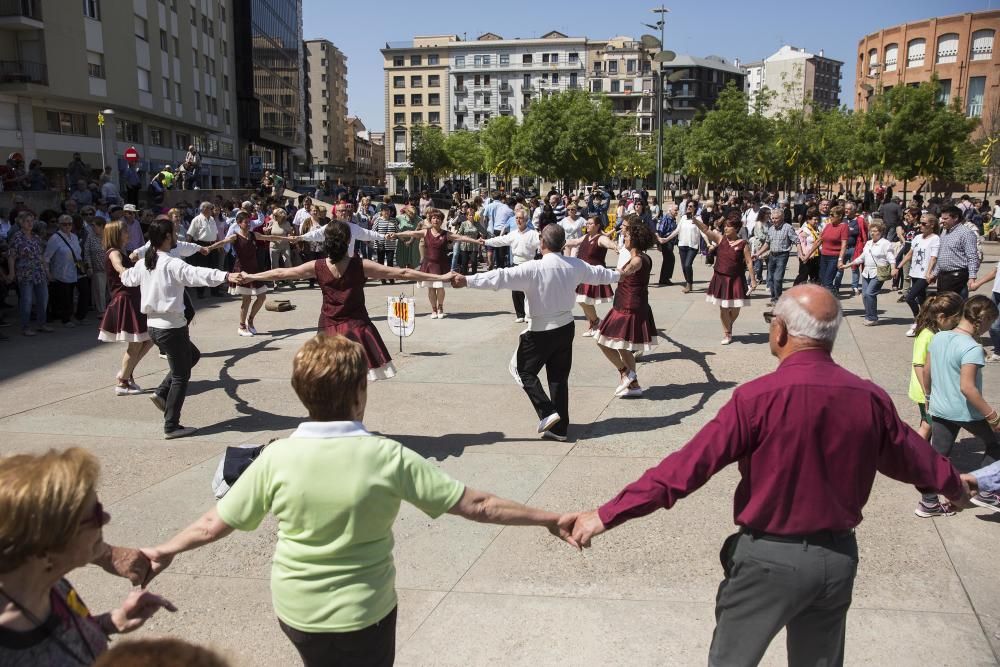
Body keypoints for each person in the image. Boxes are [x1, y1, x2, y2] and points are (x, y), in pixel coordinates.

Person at [562, 285, 973, 667]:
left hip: (767, 561)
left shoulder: (755, 399)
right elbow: (915, 457)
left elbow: (685, 469)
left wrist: (606, 514)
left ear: (781, 331)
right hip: (836, 560)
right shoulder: (869, 397)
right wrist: (955, 486)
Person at [139, 335, 575, 667]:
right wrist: (549, 518)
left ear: (301, 393)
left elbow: (212, 525)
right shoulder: (386, 456)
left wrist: (164, 549)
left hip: (298, 612)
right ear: (359, 393)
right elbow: (477, 505)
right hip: (365, 614)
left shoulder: (276, 457)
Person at [0, 448, 176, 665]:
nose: (106, 518)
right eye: (95, 514)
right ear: (47, 542)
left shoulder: (50, 583)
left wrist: (110, 622)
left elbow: (59, 638)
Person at [452, 225, 619, 441]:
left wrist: (467, 280)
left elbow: (500, 277)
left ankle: (548, 412)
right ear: (563, 244)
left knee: (521, 369)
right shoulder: (574, 265)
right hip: (565, 327)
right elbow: (600, 274)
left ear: (542, 243)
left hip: (541, 330)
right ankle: (559, 429)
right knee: (558, 378)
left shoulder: (534, 268)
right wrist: (621, 274)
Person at [242, 221, 452, 381]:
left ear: (326, 241)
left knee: (331, 380)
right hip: (358, 329)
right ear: (348, 241)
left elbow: (281, 273)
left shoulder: (317, 266)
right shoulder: (360, 265)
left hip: (328, 328)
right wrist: (442, 277)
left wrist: (250, 276)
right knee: (355, 383)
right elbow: (403, 272)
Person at [121, 218, 240, 439]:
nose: (177, 236)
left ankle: (161, 393)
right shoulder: (169, 263)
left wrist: (120, 268)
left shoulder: (146, 262)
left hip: (155, 328)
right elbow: (197, 274)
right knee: (180, 376)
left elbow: (128, 278)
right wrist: (226, 275)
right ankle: (171, 425)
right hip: (171, 329)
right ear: (167, 237)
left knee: (192, 355)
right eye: (174, 233)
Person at [917, 295, 1000, 517]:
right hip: (966, 412)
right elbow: (967, 388)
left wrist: (928, 397)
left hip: (940, 407)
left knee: (938, 456)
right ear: (983, 319)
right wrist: (993, 416)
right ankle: (986, 490)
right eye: (991, 323)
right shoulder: (971, 347)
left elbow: (926, 370)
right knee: (996, 444)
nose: (989, 328)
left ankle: (928, 503)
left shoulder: (939, 337)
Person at [594, 217, 657, 398]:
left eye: (627, 236)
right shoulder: (643, 257)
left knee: (601, 340)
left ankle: (626, 373)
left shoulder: (637, 260)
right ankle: (634, 386)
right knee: (623, 346)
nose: (625, 238)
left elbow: (625, 272)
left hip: (627, 308)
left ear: (635, 239)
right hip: (628, 304)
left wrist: (597, 274)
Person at [206, 212, 285, 337]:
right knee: (246, 300)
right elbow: (223, 242)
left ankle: (250, 320)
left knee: (262, 297)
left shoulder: (254, 235)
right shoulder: (235, 237)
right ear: (239, 223)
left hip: (254, 270)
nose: (248, 224)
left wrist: (288, 239)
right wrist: (209, 248)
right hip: (242, 271)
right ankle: (241, 326)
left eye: (249, 222)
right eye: (246, 222)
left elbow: (269, 237)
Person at [98, 220, 155, 396]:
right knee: (136, 343)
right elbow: (118, 265)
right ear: (116, 234)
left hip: (134, 299)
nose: (127, 233)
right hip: (126, 300)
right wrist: (125, 271)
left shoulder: (122, 251)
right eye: (124, 231)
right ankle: (122, 382)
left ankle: (126, 373)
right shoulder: (114, 252)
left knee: (148, 339)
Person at [392, 208, 480, 319]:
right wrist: (396, 234)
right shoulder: (425, 232)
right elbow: (411, 233)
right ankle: (433, 309)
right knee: (431, 288)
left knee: (440, 287)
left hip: (441, 265)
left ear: (442, 221)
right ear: (430, 220)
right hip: (428, 265)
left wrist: (476, 241)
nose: (436, 220)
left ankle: (440, 307)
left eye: (438, 218)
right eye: (433, 218)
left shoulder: (446, 234)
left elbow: (461, 237)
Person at [692, 210, 756, 345]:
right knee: (723, 307)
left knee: (736, 307)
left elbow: (749, 262)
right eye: (725, 226)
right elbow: (706, 230)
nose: (725, 228)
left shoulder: (743, 244)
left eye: (729, 226)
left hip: (736, 279)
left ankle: (729, 322)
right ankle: (727, 333)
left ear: (736, 228)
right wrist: (696, 221)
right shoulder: (720, 239)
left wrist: (753, 280)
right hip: (721, 278)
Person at [908, 293, 963, 441]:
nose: (956, 324)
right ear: (942, 317)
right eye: (954, 320)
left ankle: (919, 448)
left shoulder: (936, 332)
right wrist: (928, 394)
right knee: (928, 424)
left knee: (928, 423)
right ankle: (915, 450)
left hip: (931, 390)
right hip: (925, 390)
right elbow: (918, 364)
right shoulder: (927, 335)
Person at [565, 215, 618, 336]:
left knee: (583, 300)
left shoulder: (601, 238)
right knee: (583, 301)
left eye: (590, 223)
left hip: (593, 274)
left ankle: (597, 322)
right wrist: (560, 242)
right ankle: (593, 326)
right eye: (587, 223)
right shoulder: (586, 236)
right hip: (582, 273)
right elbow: (574, 242)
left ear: (597, 226)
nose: (587, 225)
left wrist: (615, 246)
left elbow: (608, 243)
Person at [484, 209, 540, 323]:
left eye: (521, 218)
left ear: (526, 220)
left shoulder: (533, 234)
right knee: (516, 290)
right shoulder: (513, 234)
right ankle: (520, 314)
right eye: (517, 218)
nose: (518, 220)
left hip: (529, 264)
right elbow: (500, 240)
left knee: (529, 292)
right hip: (515, 264)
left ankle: (528, 314)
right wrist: (486, 242)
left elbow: (544, 244)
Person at [5, 211, 52, 336]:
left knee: (43, 299)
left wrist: (47, 271)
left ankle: (42, 324)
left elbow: (41, 256)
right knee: (27, 301)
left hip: (39, 272)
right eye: (27, 221)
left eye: (32, 221)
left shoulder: (36, 237)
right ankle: (25, 327)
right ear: (21, 222)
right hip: (25, 274)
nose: (30, 224)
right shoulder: (17, 237)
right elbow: (11, 256)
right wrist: (11, 273)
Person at [839, 221, 892, 326]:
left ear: (881, 232)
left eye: (875, 231)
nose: (872, 233)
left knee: (870, 293)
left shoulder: (885, 243)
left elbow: (891, 257)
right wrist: (848, 265)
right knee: (865, 296)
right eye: (871, 231)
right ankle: (869, 315)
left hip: (878, 272)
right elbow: (862, 257)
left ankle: (872, 318)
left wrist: (894, 268)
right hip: (866, 272)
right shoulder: (868, 243)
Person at [45, 214, 89, 328]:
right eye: (64, 224)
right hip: (62, 271)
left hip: (77, 269)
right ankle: (66, 319)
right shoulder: (54, 238)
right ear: (59, 225)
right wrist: (48, 273)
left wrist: (84, 267)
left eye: (70, 224)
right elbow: (46, 257)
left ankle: (80, 316)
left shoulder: (74, 236)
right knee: (66, 297)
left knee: (85, 291)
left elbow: (78, 253)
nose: (67, 226)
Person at [900, 213, 941, 336]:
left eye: (923, 224)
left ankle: (918, 321)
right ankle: (928, 324)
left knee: (909, 297)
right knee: (922, 300)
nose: (920, 226)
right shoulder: (917, 237)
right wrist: (898, 267)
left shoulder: (935, 238)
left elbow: (933, 257)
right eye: (920, 223)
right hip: (915, 272)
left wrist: (929, 273)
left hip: (924, 274)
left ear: (932, 225)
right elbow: (909, 254)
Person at [756, 207, 799, 306]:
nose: (774, 220)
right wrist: (758, 253)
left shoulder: (788, 228)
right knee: (770, 278)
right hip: (772, 255)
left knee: (777, 278)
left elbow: (796, 240)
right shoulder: (771, 228)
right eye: (773, 218)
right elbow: (767, 243)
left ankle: (778, 299)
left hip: (782, 256)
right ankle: (774, 298)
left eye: (776, 218)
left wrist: (800, 252)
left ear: (782, 218)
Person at [936, 204, 980, 298]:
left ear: (955, 218)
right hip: (943, 276)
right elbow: (941, 254)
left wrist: (972, 277)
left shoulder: (966, 233)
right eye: (942, 218)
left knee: (950, 302)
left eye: (945, 219)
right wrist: (935, 273)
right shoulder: (944, 231)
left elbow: (972, 257)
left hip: (957, 276)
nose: (942, 221)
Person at [675, 201, 705, 293]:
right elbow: (677, 230)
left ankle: (689, 284)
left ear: (695, 208)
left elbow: (703, 231)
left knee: (688, 265)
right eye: (687, 206)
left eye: (691, 206)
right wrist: (666, 239)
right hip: (682, 245)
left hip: (693, 246)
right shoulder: (683, 218)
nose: (688, 207)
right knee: (684, 267)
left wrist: (708, 243)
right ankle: (689, 283)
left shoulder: (698, 219)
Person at [817, 205, 848, 292]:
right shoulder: (828, 226)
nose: (830, 217)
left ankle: (832, 296)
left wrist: (840, 260)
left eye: (832, 215)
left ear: (840, 216)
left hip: (834, 258)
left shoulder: (843, 227)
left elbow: (844, 245)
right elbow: (819, 240)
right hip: (824, 256)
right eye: (829, 214)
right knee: (822, 280)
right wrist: (807, 255)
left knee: (828, 282)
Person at [793, 209, 822, 285]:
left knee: (816, 277)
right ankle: (795, 290)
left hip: (816, 256)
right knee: (803, 276)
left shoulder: (818, 228)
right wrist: (803, 256)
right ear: (808, 220)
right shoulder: (804, 230)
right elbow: (799, 243)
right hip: (806, 256)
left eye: (817, 220)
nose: (816, 221)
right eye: (814, 220)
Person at [372, 205, 398, 283]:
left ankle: (390, 277)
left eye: (388, 210)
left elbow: (397, 231)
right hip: (380, 244)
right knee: (381, 262)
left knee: (390, 261)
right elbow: (373, 231)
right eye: (385, 210)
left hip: (390, 244)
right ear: (381, 212)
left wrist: (395, 235)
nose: (387, 212)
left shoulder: (394, 220)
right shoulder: (378, 220)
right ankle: (382, 277)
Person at [655, 202, 678, 285]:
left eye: (677, 210)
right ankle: (664, 279)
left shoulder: (673, 219)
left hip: (670, 242)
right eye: (675, 210)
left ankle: (664, 278)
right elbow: (660, 231)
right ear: (670, 210)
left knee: (669, 260)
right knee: (669, 259)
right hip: (665, 242)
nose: (676, 212)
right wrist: (659, 244)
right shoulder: (666, 219)